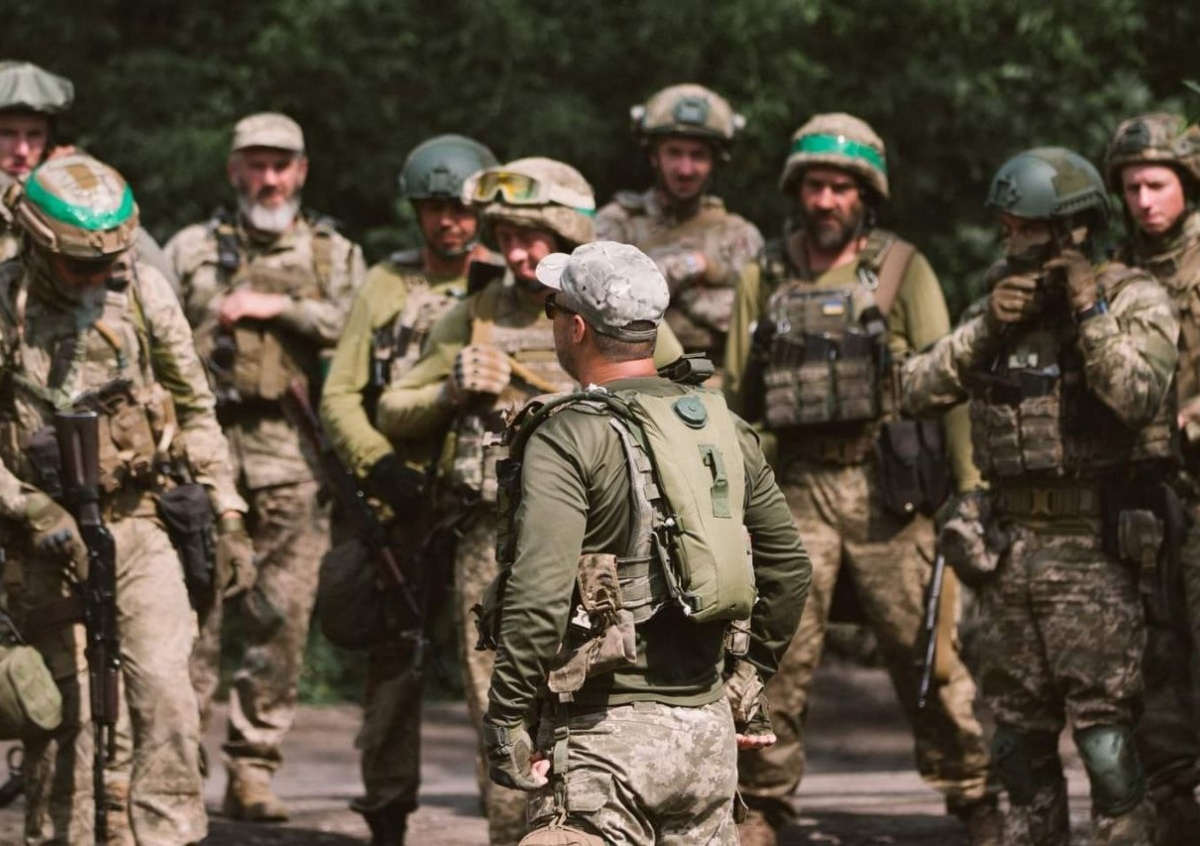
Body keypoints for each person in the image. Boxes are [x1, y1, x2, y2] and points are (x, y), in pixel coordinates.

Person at [375, 157, 683, 845]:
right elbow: (393, 409)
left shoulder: (615, 309)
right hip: (496, 544)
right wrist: (451, 388)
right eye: (505, 236)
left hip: (614, 547)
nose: (515, 253)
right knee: (504, 702)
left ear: (565, 235)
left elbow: (681, 402)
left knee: (611, 699)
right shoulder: (474, 314)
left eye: (531, 238)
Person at [723, 112, 997, 845]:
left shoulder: (903, 269)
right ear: (796, 189)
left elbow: (949, 385)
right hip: (795, 488)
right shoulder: (764, 274)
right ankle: (761, 804)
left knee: (930, 655)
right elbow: (736, 401)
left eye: (841, 187)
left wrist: (969, 490)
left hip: (888, 490)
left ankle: (975, 794)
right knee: (775, 656)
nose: (825, 200)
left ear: (865, 193)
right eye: (814, 185)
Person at [478, 240, 810, 844]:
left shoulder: (567, 435)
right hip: (709, 740)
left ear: (577, 327)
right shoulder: (722, 426)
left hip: (603, 743)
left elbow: (539, 596)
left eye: (554, 308)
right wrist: (747, 679)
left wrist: (505, 722)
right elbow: (788, 566)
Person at [903, 146, 1178, 845]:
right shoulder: (998, 305)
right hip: (1007, 555)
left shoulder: (1134, 296)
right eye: (1006, 228)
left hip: (1096, 554)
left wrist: (1088, 308)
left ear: (1073, 229)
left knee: (1107, 741)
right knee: (1018, 744)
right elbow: (916, 390)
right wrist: (987, 328)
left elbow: (1139, 396)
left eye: (1025, 227)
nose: (1010, 242)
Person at [0, 153, 251, 844]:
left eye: (107, 263)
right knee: (67, 715)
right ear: (38, 246)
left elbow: (195, 408)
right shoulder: (5, 306)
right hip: (41, 539)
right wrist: (31, 509)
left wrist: (229, 513)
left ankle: (171, 835)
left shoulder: (141, 291)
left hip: (139, 520)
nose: (96, 278)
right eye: (79, 266)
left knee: (167, 695)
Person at [165, 111, 364, 821]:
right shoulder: (191, 249)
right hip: (200, 453)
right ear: (234, 170)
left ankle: (252, 768)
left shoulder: (333, 253)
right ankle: (178, 769)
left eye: (282, 165)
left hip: (291, 454)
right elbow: (151, 329)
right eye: (256, 164)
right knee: (192, 617)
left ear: (301, 172)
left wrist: (276, 305)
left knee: (280, 617)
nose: (269, 178)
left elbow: (359, 325)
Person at [319, 133, 502, 844]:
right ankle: (388, 807)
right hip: (402, 500)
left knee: (498, 661)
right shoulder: (385, 285)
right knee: (396, 662)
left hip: (482, 497)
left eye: (461, 208)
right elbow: (339, 395)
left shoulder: (503, 284)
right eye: (434, 207)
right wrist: (377, 464)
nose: (448, 221)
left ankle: (509, 808)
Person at [1104, 112, 1200, 844]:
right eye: (1132, 186)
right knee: (1153, 665)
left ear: (1186, 184)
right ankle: (1174, 810)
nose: (1144, 200)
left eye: (1157, 184)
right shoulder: (1112, 273)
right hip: (1141, 497)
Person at [595, 84, 762, 366]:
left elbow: (755, 318)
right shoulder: (617, 224)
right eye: (674, 153)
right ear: (653, 156)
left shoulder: (738, 234)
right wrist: (690, 267)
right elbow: (600, 304)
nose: (685, 169)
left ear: (715, 161)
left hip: (719, 380)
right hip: (635, 380)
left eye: (698, 155)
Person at [0, 60, 177, 283]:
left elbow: (161, 276)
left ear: (50, 138)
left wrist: (82, 186)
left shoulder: (68, 189)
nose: (22, 150)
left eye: (34, 135)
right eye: (6, 134)